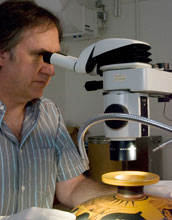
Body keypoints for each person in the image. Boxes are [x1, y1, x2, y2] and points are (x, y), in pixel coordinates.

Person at [0, 0, 171, 220]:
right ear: (2, 55)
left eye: (54, 58)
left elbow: (72, 188)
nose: (51, 70)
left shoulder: (48, 114)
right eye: (40, 56)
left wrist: (139, 195)